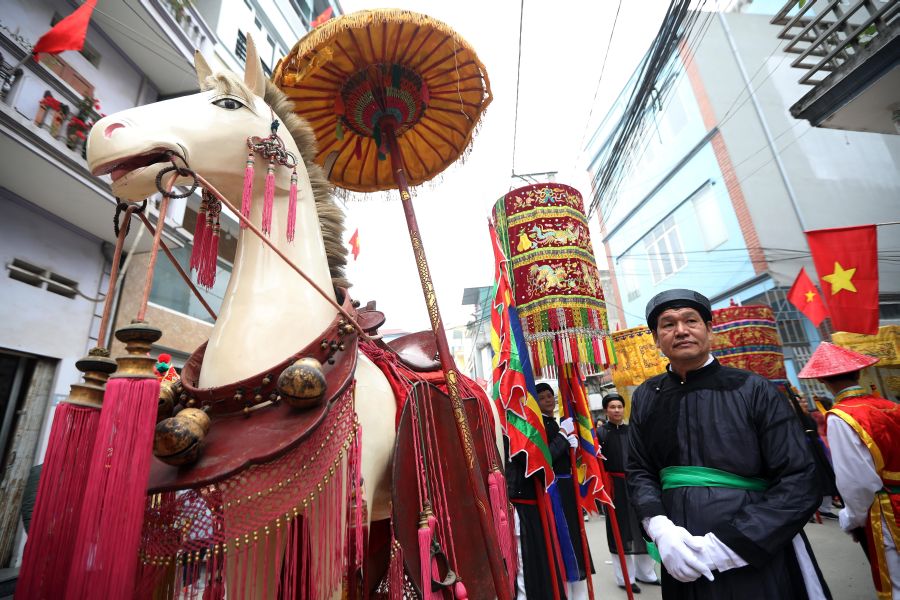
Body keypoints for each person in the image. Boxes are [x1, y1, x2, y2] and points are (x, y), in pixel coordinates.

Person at [626, 288, 831, 599]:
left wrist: (726, 547)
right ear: (656, 338)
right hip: (677, 550)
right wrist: (659, 528)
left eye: (690, 321)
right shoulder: (645, 395)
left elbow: (800, 479)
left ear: (709, 329)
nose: (680, 331)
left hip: (752, 549)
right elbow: (640, 469)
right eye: (667, 325)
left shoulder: (753, 389)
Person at [799, 342, 899, 599]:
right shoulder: (888, 405)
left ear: (821, 379)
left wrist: (852, 519)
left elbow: (858, 484)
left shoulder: (842, 416)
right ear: (859, 373)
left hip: (887, 509)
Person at [505, 389, 568, 599]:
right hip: (522, 502)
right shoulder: (515, 428)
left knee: (541, 559)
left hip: (540, 498)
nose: (547, 401)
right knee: (525, 560)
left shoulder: (534, 424)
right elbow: (539, 462)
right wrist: (562, 437)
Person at [596, 392, 659, 592]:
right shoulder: (600, 434)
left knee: (643, 527)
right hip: (614, 487)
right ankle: (625, 578)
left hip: (636, 484)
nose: (616, 410)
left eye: (619, 406)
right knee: (620, 532)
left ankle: (646, 573)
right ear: (606, 410)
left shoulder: (633, 431)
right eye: (612, 407)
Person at [536, 382, 593, 600]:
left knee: (576, 536)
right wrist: (561, 435)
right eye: (542, 397)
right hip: (554, 488)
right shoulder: (540, 425)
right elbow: (545, 458)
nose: (548, 400)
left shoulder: (558, 421)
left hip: (569, 485)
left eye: (550, 396)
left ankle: (579, 590)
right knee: (564, 538)